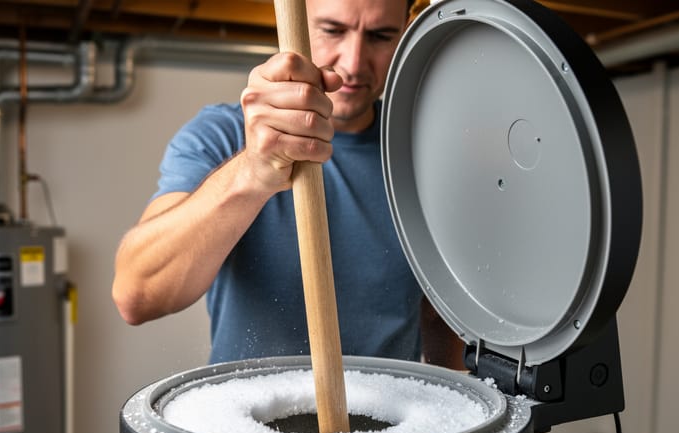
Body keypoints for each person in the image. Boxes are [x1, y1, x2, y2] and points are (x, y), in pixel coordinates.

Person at [112, 0, 463, 367]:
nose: (354, 63)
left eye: (380, 36)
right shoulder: (223, 135)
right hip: (246, 419)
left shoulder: (421, 155)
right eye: (332, 30)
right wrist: (252, 171)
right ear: (293, 24)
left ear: (405, 30)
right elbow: (137, 296)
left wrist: (459, 405)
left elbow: (439, 314)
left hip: (394, 419)